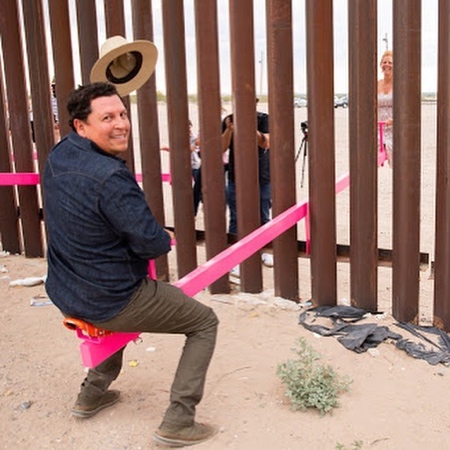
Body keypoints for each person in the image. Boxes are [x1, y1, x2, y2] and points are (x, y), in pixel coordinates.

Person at [43, 82, 218, 447]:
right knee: (203, 322)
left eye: (122, 114)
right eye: (107, 117)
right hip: (108, 296)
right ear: (81, 125)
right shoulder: (111, 177)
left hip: (65, 287)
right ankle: (179, 420)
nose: (121, 124)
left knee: (122, 318)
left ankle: (91, 396)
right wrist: (162, 234)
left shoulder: (59, 155)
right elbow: (151, 243)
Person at [221, 101, 274, 271]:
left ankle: (264, 251)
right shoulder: (228, 120)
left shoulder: (264, 119)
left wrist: (249, 126)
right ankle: (234, 258)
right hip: (237, 176)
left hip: (262, 176)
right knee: (236, 218)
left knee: (263, 215)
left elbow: (266, 143)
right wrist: (229, 129)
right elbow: (221, 148)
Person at [377, 50, 393, 167]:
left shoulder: (399, 84)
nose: (387, 64)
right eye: (385, 62)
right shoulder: (376, 84)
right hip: (378, 126)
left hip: (393, 127)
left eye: (390, 62)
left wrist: (394, 120)